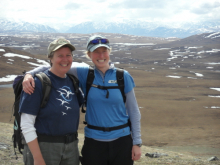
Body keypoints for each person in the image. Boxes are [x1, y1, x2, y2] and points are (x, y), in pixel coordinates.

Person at [22, 35, 142, 165]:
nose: (101, 56)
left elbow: (133, 111)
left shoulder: (122, 76)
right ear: (89, 55)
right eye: (96, 52)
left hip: (122, 141)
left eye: (104, 51)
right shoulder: (84, 73)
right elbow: (55, 66)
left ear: (109, 52)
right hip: (94, 142)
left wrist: (137, 142)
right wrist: (29, 74)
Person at [19, 38, 82, 165]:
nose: (65, 59)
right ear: (50, 58)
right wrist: (37, 158)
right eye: (60, 56)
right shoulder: (37, 83)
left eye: (68, 55)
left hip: (71, 148)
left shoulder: (73, 82)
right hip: (44, 148)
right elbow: (26, 124)